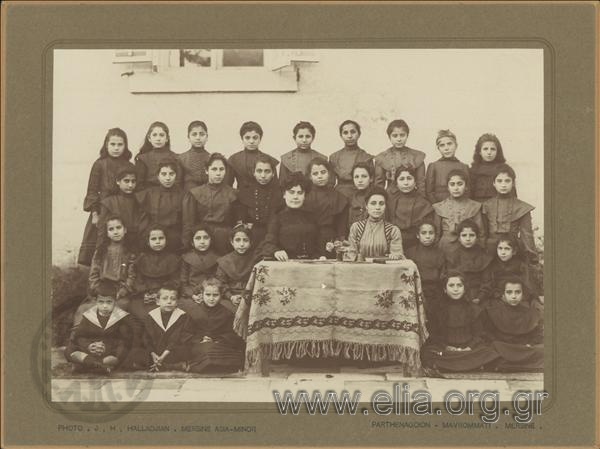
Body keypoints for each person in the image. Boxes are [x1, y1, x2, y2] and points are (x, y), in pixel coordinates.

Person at [420, 272, 499, 372]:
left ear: (465, 288)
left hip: (470, 350)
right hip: (445, 350)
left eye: (459, 285)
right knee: (428, 353)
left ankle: (448, 365)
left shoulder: (474, 309)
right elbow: (434, 335)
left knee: (488, 351)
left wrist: (469, 348)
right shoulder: (437, 309)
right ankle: (472, 364)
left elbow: (479, 334)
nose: (456, 289)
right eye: (451, 285)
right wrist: (447, 347)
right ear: (445, 289)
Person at [77, 128, 134, 266]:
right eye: (112, 144)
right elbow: (92, 191)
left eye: (120, 145)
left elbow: (132, 187)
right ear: (106, 145)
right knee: (102, 247)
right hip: (103, 210)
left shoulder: (129, 165)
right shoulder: (99, 164)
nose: (116, 148)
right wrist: (95, 214)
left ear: (125, 146)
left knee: (122, 248)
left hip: (123, 209)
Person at [73, 216, 136, 326]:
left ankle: (110, 338)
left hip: (119, 292)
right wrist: (97, 289)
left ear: (125, 230)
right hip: (101, 290)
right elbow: (94, 274)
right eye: (111, 229)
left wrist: (123, 291)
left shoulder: (130, 252)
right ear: (106, 233)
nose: (115, 232)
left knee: (118, 309)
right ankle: (78, 337)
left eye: (118, 228)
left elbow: (132, 276)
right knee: (84, 309)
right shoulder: (101, 251)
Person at [65, 280, 133, 374]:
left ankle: (89, 364)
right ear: (96, 301)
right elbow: (79, 336)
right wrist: (89, 346)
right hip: (89, 350)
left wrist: (106, 347)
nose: (105, 306)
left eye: (109, 302)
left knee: (122, 353)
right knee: (70, 350)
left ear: (115, 301)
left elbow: (124, 340)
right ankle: (98, 365)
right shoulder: (89, 315)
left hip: (108, 352)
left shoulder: (120, 317)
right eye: (101, 302)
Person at [481, 278, 544, 371]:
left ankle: (506, 365)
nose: (514, 296)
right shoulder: (493, 311)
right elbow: (488, 334)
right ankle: (523, 365)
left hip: (524, 348)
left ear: (523, 294)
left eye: (517, 292)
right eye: (509, 292)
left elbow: (536, 334)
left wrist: (530, 344)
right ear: (503, 294)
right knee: (491, 348)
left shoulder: (530, 313)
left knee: (544, 350)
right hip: (504, 348)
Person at [182, 153, 238, 255]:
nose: (218, 173)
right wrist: (187, 245)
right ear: (207, 170)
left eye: (221, 169)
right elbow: (189, 223)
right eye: (214, 169)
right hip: (202, 239)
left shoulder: (233, 194)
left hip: (225, 240)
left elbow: (236, 223)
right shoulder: (195, 193)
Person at [482, 164, 537, 263]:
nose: (503, 185)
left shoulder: (522, 207)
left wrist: (531, 255)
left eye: (507, 181)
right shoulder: (486, 206)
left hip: (513, 249)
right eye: (499, 181)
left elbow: (527, 234)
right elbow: (483, 232)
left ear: (513, 183)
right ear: (493, 183)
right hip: (490, 251)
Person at [188, 278, 245, 374]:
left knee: (234, 356)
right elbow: (187, 333)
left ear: (221, 295)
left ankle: (214, 365)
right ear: (202, 294)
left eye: (215, 295)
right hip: (200, 344)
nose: (211, 298)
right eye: (208, 295)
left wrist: (216, 340)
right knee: (206, 351)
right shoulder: (193, 312)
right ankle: (211, 364)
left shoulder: (227, 313)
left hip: (219, 344)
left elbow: (231, 334)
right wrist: (200, 340)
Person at [258, 172, 319, 261]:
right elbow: (268, 244)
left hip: (310, 264)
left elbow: (318, 242)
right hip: (287, 264)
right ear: (284, 194)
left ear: (304, 196)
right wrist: (276, 251)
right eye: (291, 192)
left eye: (300, 193)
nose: (295, 197)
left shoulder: (312, 216)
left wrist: (320, 255)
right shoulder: (278, 217)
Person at [133, 284, 193, 372]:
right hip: (155, 351)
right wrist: (153, 354)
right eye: (165, 298)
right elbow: (146, 338)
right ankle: (171, 366)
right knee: (136, 353)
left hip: (172, 351)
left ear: (177, 302)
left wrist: (163, 355)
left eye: (173, 299)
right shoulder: (151, 316)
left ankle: (158, 365)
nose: (169, 302)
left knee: (186, 350)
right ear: (157, 301)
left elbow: (176, 338)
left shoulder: (182, 316)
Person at [129, 225, 180, 323]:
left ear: (166, 240)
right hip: (145, 295)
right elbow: (138, 280)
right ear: (148, 242)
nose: (157, 241)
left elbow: (175, 281)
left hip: (166, 295)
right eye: (154, 239)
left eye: (161, 238)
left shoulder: (173, 259)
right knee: (140, 313)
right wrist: (145, 292)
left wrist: (161, 294)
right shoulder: (141, 259)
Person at [303, 158, 349, 258]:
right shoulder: (305, 197)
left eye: (323, 172)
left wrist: (339, 240)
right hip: (310, 238)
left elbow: (341, 225)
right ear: (310, 177)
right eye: (315, 174)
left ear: (329, 173)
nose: (320, 176)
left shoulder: (339, 197)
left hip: (331, 239)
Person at [235, 155, 284, 246]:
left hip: (274, 235)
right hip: (251, 236)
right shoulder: (245, 192)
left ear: (273, 173)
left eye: (267, 171)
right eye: (259, 171)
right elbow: (241, 218)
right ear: (254, 172)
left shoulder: (280, 193)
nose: (263, 175)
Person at [432, 169, 484, 255]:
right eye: (452, 184)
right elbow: (436, 234)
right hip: (445, 248)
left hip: (469, 248)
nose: (456, 188)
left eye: (460, 184)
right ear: (448, 187)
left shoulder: (474, 207)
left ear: (466, 186)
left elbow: (481, 233)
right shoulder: (440, 207)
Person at [135, 160, 184, 252]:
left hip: (175, 239)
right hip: (154, 238)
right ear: (158, 176)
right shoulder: (149, 193)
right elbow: (144, 221)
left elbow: (186, 221)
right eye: (164, 174)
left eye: (171, 174)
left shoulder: (183, 194)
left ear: (176, 175)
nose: (168, 178)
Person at [96, 165, 145, 251]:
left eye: (133, 181)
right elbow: (102, 231)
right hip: (116, 246)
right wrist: (100, 251)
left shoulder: (140, 200)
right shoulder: (109, 202)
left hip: (137, 245)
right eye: (126, 181)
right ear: (118, 181)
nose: (130, 185)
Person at [405, 220, 446, 324]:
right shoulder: (410, 253)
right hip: (415, 291)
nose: (428, 236)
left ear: (435, 235)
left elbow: (443, 275)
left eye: (431, 233)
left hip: (435, 292)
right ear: (418, 235)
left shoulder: (440, 254)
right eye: (424, 233)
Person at [347, 187, 405, 259]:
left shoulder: (392, 230)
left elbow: (397, 255)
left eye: (381, 203)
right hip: (360, 268)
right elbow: (350, 256)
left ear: (385, 206)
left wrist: (395, 256)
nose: (377, 207)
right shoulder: (356, 228)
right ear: (366, 206)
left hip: (384, 269)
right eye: (373, 203)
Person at [445, 219, 493, 306]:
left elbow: (487, 282)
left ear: (477, 237)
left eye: (471, 235)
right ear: (459, 238)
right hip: (458, 294)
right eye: (464, 235)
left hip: (478, 295)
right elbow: (450, 280)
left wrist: (479, 298)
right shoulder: (453, 256)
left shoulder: (483, 256)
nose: (468, 239)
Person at [387, 165, 435, 250]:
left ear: (415, 181)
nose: (406, 183)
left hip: (417, 245)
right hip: (394, 243)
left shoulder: (424, 204)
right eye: (401, 179)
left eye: (409, 178)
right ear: (396, 183)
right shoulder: (390, 202)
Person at [374, 119, 426, 194]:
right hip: (390, 196)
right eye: (395, 136)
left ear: (407, 135)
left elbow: (421, 184)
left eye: (402, 135)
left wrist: (422, 201)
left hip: (412, 197)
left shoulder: (417, 156)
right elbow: (379, 185)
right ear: (389, 137)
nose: (399, 139)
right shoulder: (382, 158)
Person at [178, 225, 219, 319]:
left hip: (210, 293)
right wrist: (192, 295)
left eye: (206, 238)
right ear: (192, 242)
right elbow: (183, 282)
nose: (202, 241)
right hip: (191, 294)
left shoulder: (217, 258)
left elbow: (218, 279)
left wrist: (206, 294)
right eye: (198, 238)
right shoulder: (186, 258)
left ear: (211, 240)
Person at [215, 225, 257, 312]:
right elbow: (221, 283)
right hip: (229, 296)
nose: (241, 244)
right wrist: (231, 296)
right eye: (237, 240)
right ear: (232, 242)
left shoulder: (256, 259)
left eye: (245, 240)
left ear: (251, 242)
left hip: (251, 295)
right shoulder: (224, 261)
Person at [226, 121, 279, 190]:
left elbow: (275, 187)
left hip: (264, 198)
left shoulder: (268, 159)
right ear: (242, 139)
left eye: (255, 138)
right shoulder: (234, 159)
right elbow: (227, 186)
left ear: (260, 139)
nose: (251, 141)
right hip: (240, 199)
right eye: (247, 138)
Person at [329, 120, 374, 198]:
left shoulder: (366, 157)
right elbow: (330, 183)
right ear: (341, 135)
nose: (349, 136)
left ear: (359, 134)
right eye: (345, 133)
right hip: (339, 195)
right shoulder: (334, 157)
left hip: (361, 195)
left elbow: (371, 182)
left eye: (353, 132)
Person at [484, 235, 536, 302]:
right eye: (500, 248)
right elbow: (489, 284)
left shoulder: (520, 265)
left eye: (507, 249)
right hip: (499, 298)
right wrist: (498, 295)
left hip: (517, 297)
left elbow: (527, 284)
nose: (503, 252)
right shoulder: (493, 265)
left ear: (514, 251)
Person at [134, 121, 181, 191]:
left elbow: (178, 182)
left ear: (167, 139)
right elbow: (139, 185)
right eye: (154, 135)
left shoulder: (176, 158)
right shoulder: (143, 159)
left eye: (161, 135)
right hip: (150, 196)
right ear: (149, 138)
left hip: (171, 196)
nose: (158, 139)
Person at [425, 129, 469, 204]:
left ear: (456, 145)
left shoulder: (464, 167)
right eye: (442, 145)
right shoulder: (433, 166)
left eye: (449, 144)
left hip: (460, 207)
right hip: (439, 207)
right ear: (438, 148)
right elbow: (429, 192)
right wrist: (438, 208)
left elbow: (468, 191)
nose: (446, 148)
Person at [279, 121, 327, 188]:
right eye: (300, 136)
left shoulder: (321, 158)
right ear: (294, 138)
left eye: (307, 136)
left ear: (313, 138)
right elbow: (282, 183)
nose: (304, 140)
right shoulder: (286, 158)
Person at [469, 133, 508, 202]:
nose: (489, 152)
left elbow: (511, 194)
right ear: (479, 152)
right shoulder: (473, 170)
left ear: (497, 151)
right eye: (485, 149)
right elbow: (469, 195)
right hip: (478, 207)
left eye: (493, 149)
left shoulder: (504, 169)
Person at [178, 120, 211, 192]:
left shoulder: (211, 158)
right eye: (194, 134)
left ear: (207, 137)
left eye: (202, 134)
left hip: (207, 198)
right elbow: (178, 184)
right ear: (188, 137)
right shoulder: (181, 158)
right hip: (187, 197)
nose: (198, 138)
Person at [347, 162, 373, 226]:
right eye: (356, 177)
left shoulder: (377, 197)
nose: (360, 180)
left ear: (371, 178)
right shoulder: (350, 199)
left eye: (364, 176)